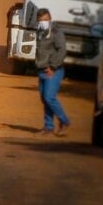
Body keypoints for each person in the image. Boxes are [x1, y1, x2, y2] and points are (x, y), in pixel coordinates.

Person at [35, 8, 70, 136]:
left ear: (49, 19)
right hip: (42, 70)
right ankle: (48, 127)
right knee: (45, 99)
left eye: (45, 20)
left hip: (53, 71)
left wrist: (53, 67)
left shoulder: (56, 32)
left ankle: (64, 121)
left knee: (49, 97)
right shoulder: (40, 32)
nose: (42, 22)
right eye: (40, 20)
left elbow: (62, 50)